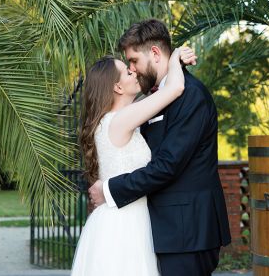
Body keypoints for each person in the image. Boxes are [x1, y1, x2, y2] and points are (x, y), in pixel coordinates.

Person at [88, 19, 231, 276]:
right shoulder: (152, 100)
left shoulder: (191, 96)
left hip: (188, 232)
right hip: (161, 230)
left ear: (154, 53)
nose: (133, 69)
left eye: (134, 61)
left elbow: (167, 165)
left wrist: (110, 189)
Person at [71, 44, 195, 276]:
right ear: (117, 87)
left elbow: (159, 93)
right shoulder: (121, 120)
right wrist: (176, 55)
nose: (134, 71)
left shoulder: (117, 118)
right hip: (124, 224)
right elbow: (175, 87)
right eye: (127, 72)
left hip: (119, 217)